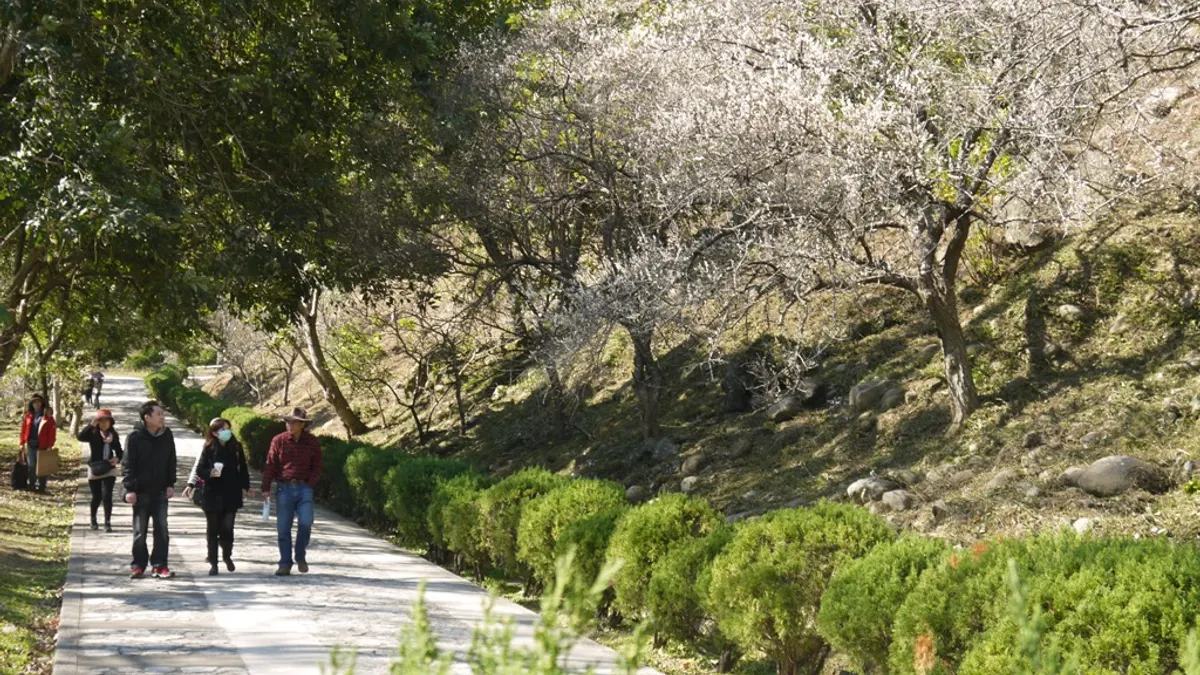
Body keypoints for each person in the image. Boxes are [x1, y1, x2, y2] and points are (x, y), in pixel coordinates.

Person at [184, 418, 250, 576]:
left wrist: (245, 487)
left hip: (231, 492)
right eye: (222, 429)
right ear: (214, 433)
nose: (226, 432)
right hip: (212, 492)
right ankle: (213, 563)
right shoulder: (208, 448)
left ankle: (227, 554)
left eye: (228, 428)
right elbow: (200, 469)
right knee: (212, 530)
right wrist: (210, 473)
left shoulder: (236, 447)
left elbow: (243, 469)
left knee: (228, 527)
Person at [261, 407, 322, 576]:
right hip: (284, 488)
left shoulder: (312, 442)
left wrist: (310, 484)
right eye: (288, 422)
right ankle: (285, 563)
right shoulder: (278, 440)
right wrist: (266, 487)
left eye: (294, 422)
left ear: (302, 424)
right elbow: (270, 464)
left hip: (304, 488)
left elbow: (317, 465)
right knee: (283, 528)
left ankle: (300, 555)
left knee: (306, 522)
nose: (290, 425)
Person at [122, 400, 177, 579]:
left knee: (162, 529)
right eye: (159, 414)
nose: (162, 417)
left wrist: (170, 483)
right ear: (147, 417)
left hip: (161, 491)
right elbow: (127, 465)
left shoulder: (167, 435)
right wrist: (130, 489)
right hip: (141, 491)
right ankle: (138, 564)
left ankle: (160, 565)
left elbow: (171, 461)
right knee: (140, 531)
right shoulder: (135, 437)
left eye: (163, 414)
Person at [78, 409, 123, 532]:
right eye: (101, 421)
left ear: (110, 422)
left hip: (109, 468)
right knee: (96, 496)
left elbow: (120, 452)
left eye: (106, 421)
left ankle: (107, 522)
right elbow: (80, 437)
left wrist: (117, 459)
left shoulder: (113, 435)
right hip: (95, 467)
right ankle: (93, 519)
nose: (103, 423)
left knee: (107, 495)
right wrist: (91, 425)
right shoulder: (93, 433)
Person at [18, 393, 56, 492]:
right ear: (32, 404)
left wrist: (50, 445)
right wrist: (21, 443)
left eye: (38, 402)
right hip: (30, 444)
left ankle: (42, 486)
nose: (36, 405)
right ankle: (32, 484)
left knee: (42, 466)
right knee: (31, 466)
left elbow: (52, 433)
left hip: (42, 445)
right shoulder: (28, 415)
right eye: (34, 403)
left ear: (42, 403)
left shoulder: (47, 417)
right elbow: (23, 430)